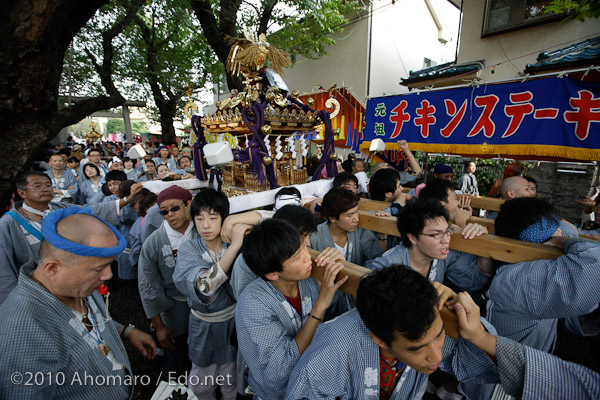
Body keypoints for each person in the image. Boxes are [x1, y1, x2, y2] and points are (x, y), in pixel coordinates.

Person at [0, 207, 156, 399]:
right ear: (53, 268)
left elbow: (89, 323)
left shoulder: (78, 286)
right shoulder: (24, 334)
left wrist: (126, 331)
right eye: (99, 268)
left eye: (109, 264)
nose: (108, 275)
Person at [285, 266, 499, 399]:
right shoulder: (335, 344)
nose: (437, 356)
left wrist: (474, 328)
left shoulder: (430, 320)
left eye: (439, 336)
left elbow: (488, 368)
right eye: (417, 349)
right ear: (379, 340)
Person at [236, 219, 349, 400]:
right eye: (297, 257)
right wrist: (320, 306)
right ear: (272, 273)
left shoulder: (310, 279)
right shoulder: (253, 302)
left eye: (305, 247)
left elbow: (343, 315)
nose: (307, 257)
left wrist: (343, 268)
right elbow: (279, 370)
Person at [487, 197, 600, 353]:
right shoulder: (523, 278)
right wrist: (562, 241)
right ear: (544, 240)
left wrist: (555, 238)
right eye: (556, 232)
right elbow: (596, 263)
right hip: (517, 369)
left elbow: (564, 228)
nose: (561, 231)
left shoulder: (513, 261)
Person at [0, 172, 128, 304]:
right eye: (37, 186)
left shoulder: (62, 209)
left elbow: (91, 211)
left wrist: (126, 200)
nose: (45, 189)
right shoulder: (9, 223)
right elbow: (3, 267)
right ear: (22, 193)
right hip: (36, 293)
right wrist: (13, 302)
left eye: (48, 185)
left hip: (74, 283)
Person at [173, 188, 250, 399]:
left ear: (224, 220)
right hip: (203, 324)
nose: (206, 225)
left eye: (213, 218)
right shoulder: (189, 248)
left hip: (233, 322)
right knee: (202, 380)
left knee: (231, 376)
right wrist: (234, 247)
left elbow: (272, 217)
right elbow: (204, 287)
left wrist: (236, 227)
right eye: (199, 218)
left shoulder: (239, 244)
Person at [365, 199, 490, 292]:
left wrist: (484, 245)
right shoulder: (388, 268)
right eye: (436, 235)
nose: (446, 240)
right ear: (413, 237)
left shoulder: (444, 255)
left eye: (447, 231)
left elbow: (475, 281)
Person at [138, 186, 196, 377]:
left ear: (189, 204)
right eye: (164, 211)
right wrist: (160, 326)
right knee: (177, 357)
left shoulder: (204, 229)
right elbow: (148, 285)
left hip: (207, 308)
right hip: (174, 309)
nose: (170, 215)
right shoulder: (153, 243)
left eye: (175, 208)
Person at [310, 187, 382, 265]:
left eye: (356, 212)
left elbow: (377, 260)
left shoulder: (361, 232)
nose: (356, 219)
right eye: (350, 215)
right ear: (332, 218)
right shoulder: (313, 238)